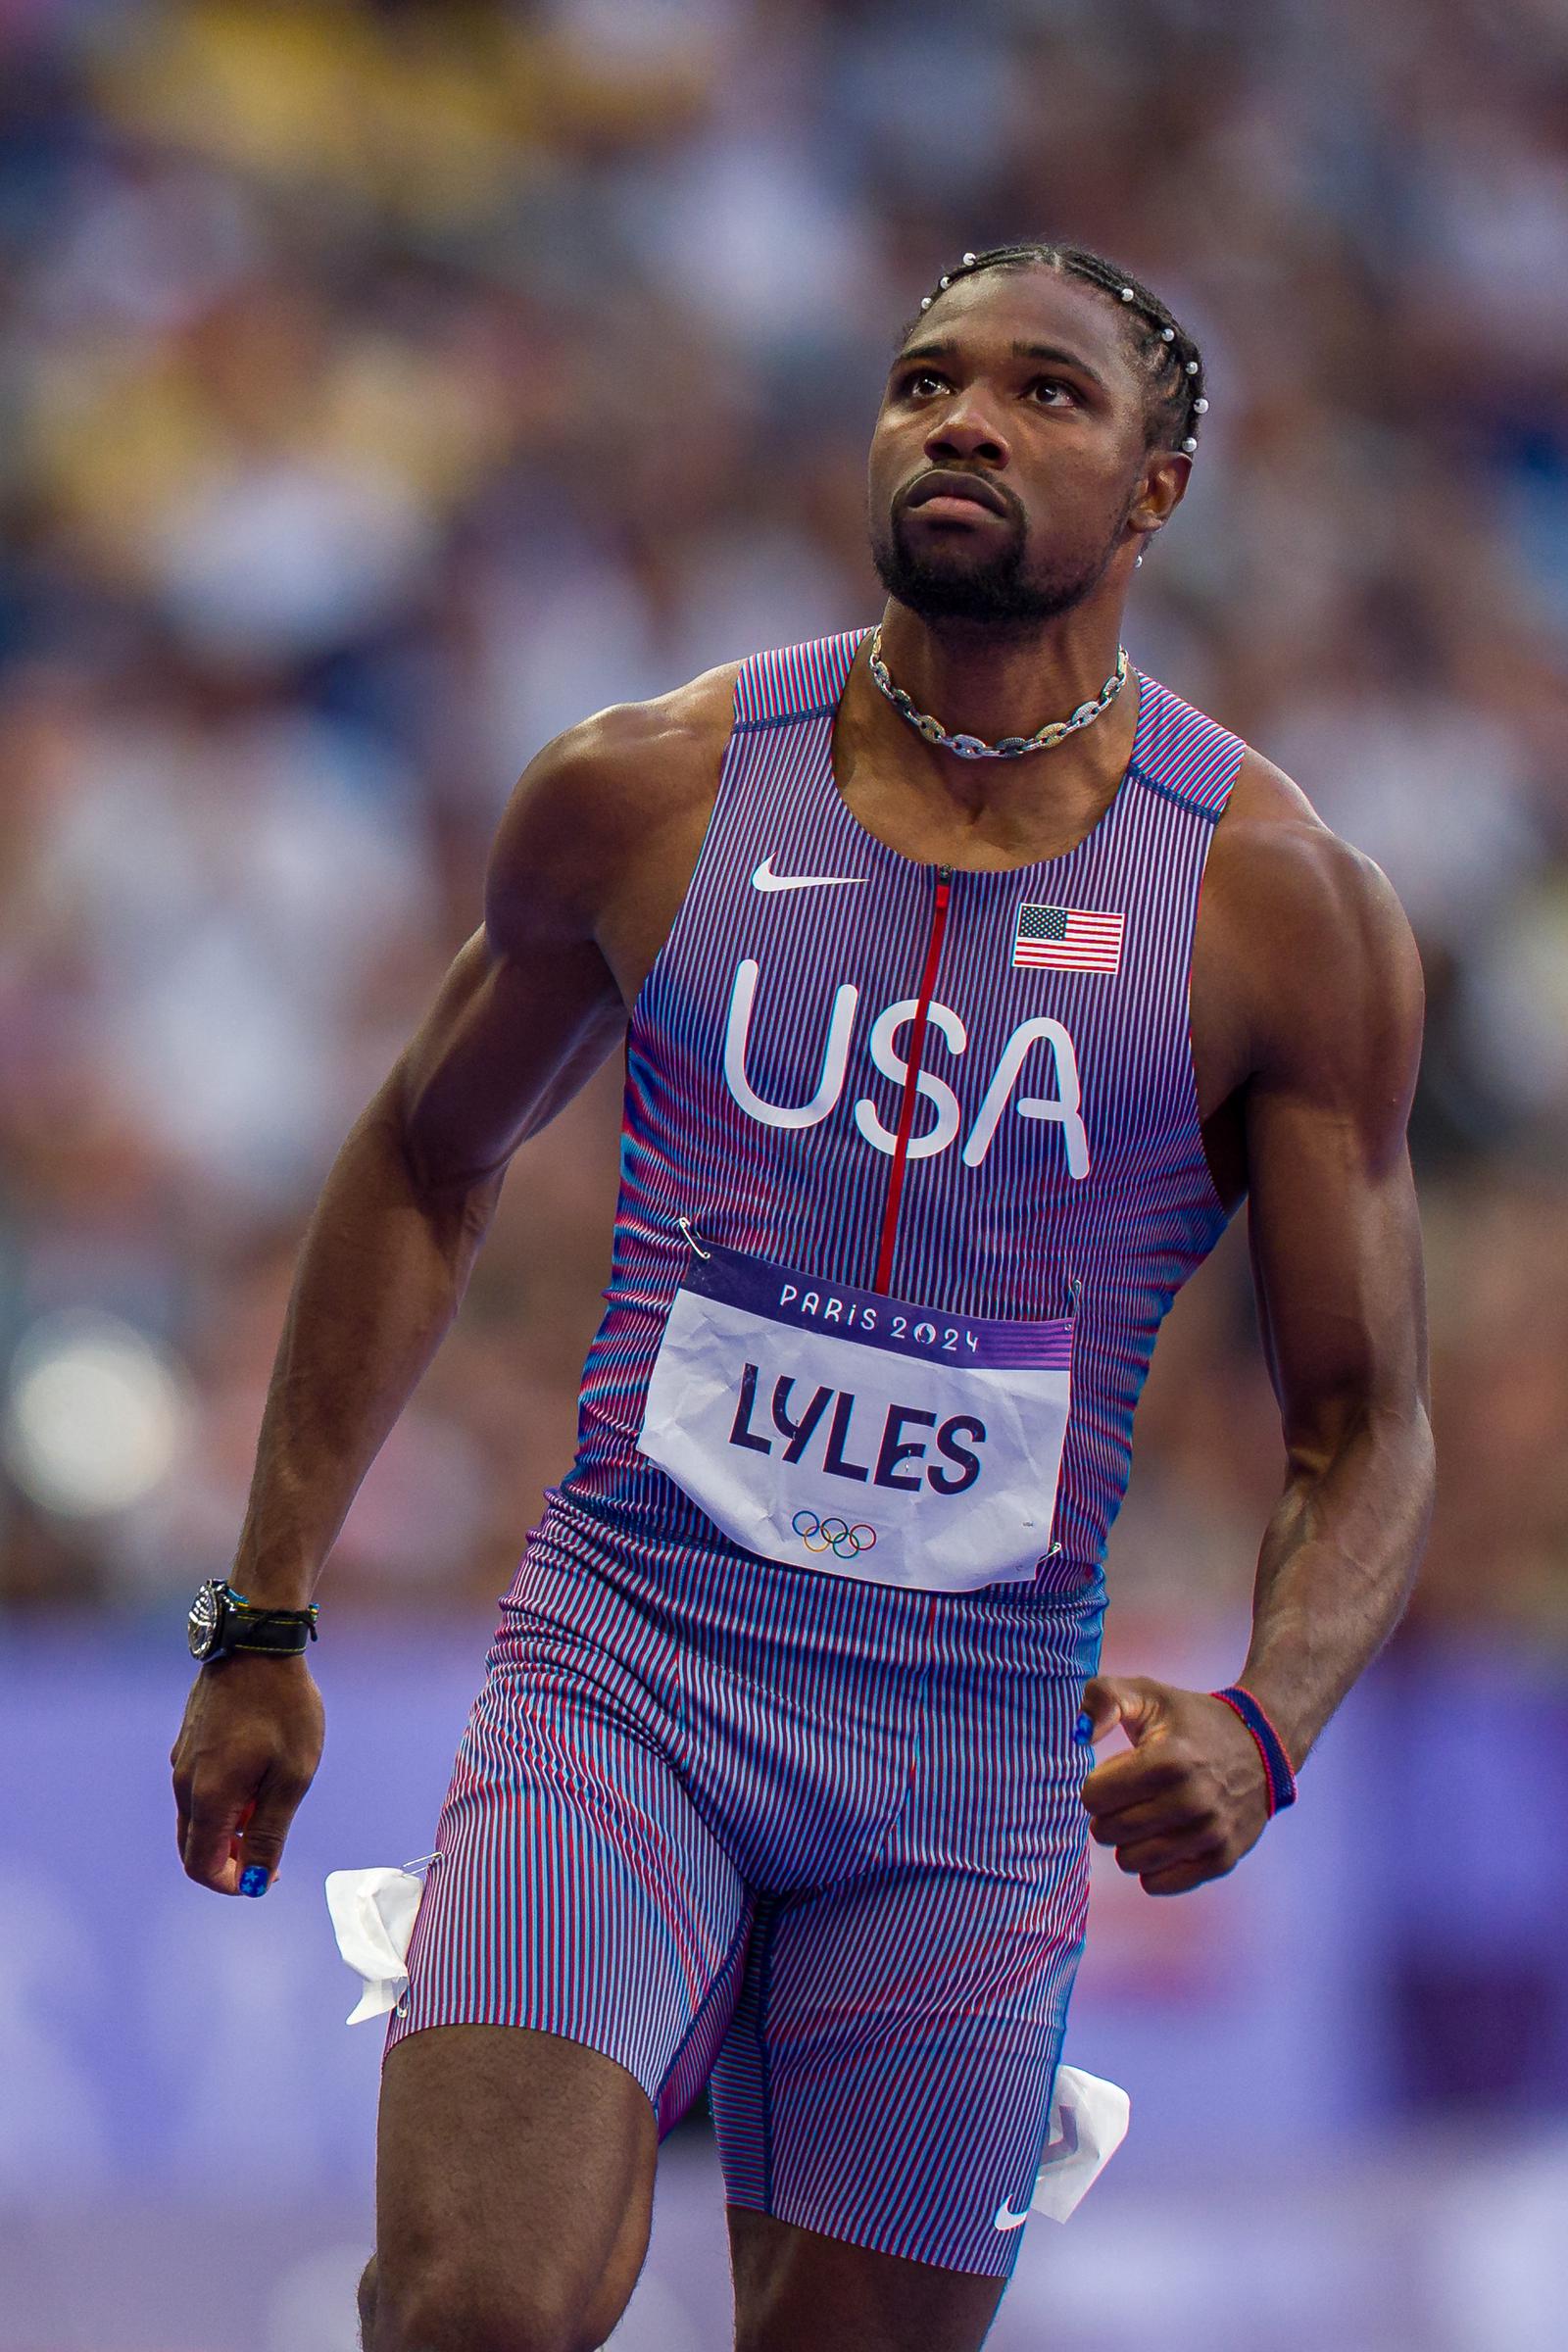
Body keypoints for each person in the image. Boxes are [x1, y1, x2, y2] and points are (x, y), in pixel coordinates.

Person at [170, 240, 1434, 2352]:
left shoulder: (1279, 908)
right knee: (474, 2310)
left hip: (965, 1761)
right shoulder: (643, 790)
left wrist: (1263, 1720)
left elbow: (1361, 1414)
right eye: (927, 378)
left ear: (1152, 497)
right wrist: (265, 1613)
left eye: (1046, 394)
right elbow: (419, 1156)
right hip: (628, 1671)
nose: (964, 418)